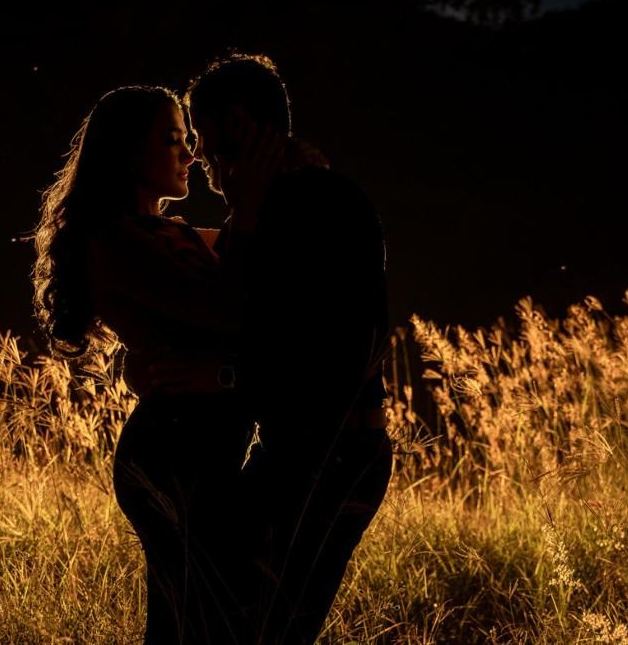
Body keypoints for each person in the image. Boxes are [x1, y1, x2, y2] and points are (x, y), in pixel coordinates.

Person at [155, 54, 394, 644]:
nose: (199, 157)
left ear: (237, 122)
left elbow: (332, 354)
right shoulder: (260, 209)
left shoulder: (324, 204)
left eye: (204, 136)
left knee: (262, 629)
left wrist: (226, 375)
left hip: (331, 454)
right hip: (302, 450)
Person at [32, 85, 257, 643]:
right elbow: (234, 310)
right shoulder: (118, 241)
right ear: (131, 151)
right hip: (173, 453)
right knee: (193, 618)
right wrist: (252, 197)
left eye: (189, 139)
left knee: (195, 617)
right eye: (173, 139)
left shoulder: (167, 231)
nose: (191, 153)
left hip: (196, 446)